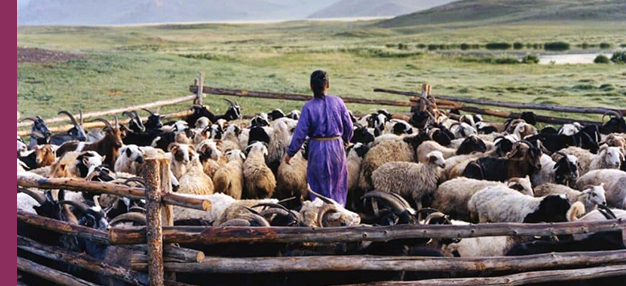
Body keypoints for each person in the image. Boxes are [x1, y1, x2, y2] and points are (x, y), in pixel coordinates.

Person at [285, 70, 353, 206]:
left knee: (318, 184)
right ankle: (338, 214)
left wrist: (290, 153)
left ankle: (320, 215)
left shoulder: (309, 107)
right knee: (337, 182)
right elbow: (348, 125)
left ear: (311, 86)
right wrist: (346, 139)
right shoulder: (338, 102)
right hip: (337, 148)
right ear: (327, 84)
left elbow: (300, 132)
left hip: (317, 149)